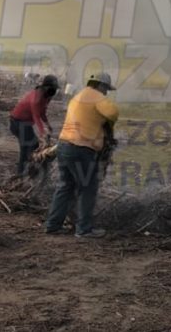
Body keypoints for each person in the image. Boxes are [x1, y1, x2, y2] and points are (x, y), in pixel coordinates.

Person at [44, 72, 119, 238]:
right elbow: (113, 112)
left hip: (64, 146)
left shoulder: (78, 96)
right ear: (101, 86)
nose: (106, 92)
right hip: (81, 149)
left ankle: (53, 225)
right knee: (88, 188)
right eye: (106, 89)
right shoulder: (96, 96)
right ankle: (84, 230)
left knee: (65, 186)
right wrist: (109, 125)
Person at [9, 75, 58, 176]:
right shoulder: (36, 98)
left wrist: (48, 125)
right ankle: (23, 172)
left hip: (24, 123)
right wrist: (42, 133)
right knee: (29, 145)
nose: (54, 91)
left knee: (31, 145)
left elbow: (42, 113)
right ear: (45, 87)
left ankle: (27, 170)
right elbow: (36, 116)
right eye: (52, 89)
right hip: (17, 122)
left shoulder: (46, 97)